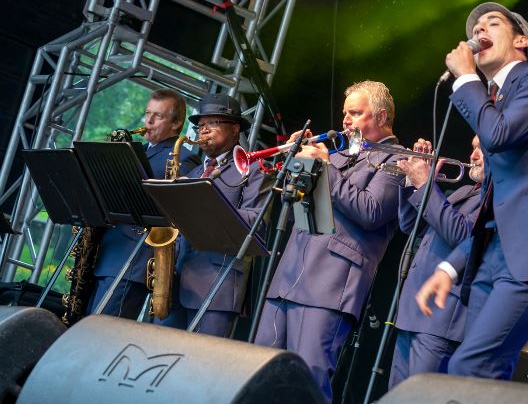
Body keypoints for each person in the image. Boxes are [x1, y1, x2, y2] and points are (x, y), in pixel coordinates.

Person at [415, 2, 528, 379]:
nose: (479, 30)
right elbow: (497, 207)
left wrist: (465, 79)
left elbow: (498, 135)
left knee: (471, 366)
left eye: (491, 23)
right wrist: (450, 266)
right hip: (495, 254)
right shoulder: (493, 102)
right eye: (474, 26)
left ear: (521, 41)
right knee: (485, 374)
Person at [255, 80, 405, 402]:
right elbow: (295, 204)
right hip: (289, 275)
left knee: (307, 383)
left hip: (331, 284)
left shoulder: (397, 161)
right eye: (344, 113)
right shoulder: (339, 155)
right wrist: (299, 162)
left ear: (381, 117)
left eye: (355, 113)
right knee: (257, 373)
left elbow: (371, 211)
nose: (346, 121)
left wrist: (322, 165)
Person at [155, 93, 268, 336]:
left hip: (219, 284)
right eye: (200, 125)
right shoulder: (195, 171)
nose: (203, 131)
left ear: (235, 129)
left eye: (212, 123)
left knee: (199, 366)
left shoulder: (254, 170)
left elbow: (256, 226)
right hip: (175, 281)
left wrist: (201, 201)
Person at [89, 89, 200, 318]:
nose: (148, 121)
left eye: (157, 116)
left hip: (133, 260)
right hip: (109, 252)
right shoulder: (137, 151)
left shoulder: (184, 158)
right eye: (147, 113)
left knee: (103, 334)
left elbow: (173, 211)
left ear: (176, 123)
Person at [388, 136, 484, 388]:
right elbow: (411, 225)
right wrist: (414, 181)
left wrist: (426, 185)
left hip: (441, 320)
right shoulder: (464, 191)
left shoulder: (496, 200)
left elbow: (462, 236)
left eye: (480, 150)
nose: (473, 156)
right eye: (473, 148)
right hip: (413, 310)